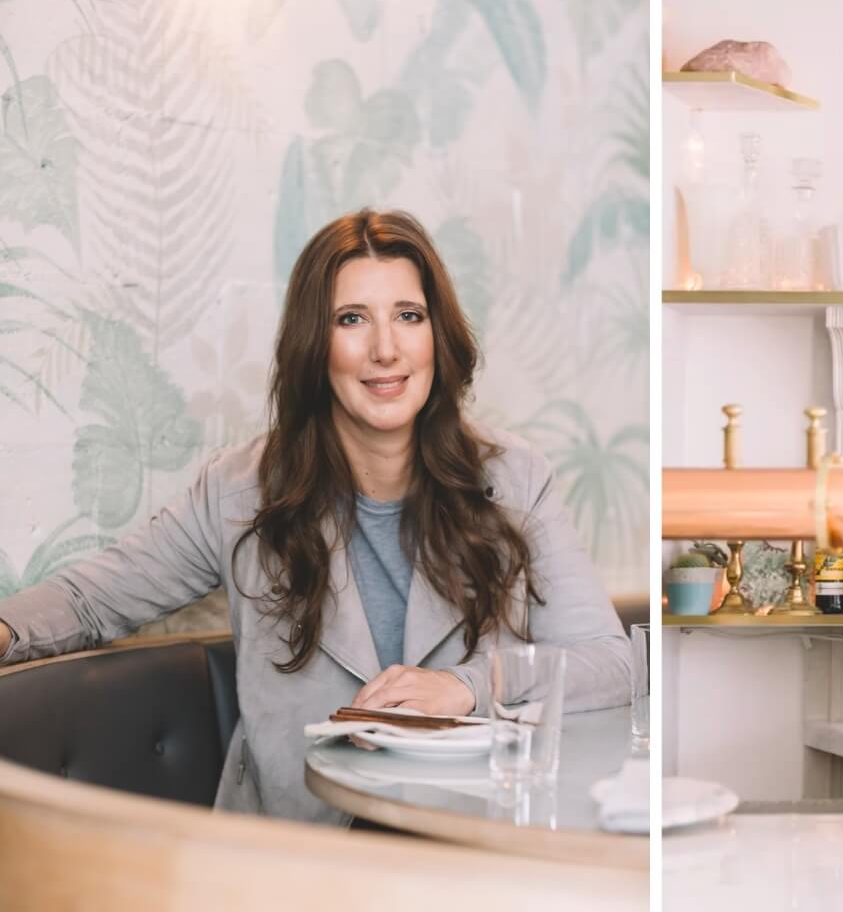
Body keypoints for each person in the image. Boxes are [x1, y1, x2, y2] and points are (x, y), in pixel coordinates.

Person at [0, 209, 630, 825]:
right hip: (297, 853)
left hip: (468, 848)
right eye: (351, 319)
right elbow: (89, 601)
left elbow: (614, 661)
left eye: (408, 316)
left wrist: (467, 687)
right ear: (314, 344)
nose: (385, 349)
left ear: (437, 335)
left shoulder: (515, 480)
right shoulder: (239, 490)